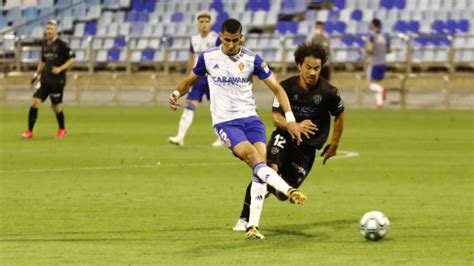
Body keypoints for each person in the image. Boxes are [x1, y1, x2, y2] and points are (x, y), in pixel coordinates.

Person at [169, 18, 306, 240]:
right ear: (221, 37)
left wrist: (290, 118)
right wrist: (176, 94)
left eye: (235, 40)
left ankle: (251, 226)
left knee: (260, 168)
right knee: (254, 159)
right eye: (227, 40)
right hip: (225, 122)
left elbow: (278, 90)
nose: (231, 44)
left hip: (251, 120)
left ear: (241, 37)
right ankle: (288, 189)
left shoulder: (253, 59)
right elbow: (189, 80)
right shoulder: (209, 57)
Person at [233, 41, 345, 231]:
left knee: (284, 194)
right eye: (308, 67)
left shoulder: (329, 93)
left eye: (316, 68)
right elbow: (276, 118)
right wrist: (294, 125)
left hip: (307, 149)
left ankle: (272, 190)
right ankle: (244, 218)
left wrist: (334, 144)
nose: (312, 72)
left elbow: (340, 114)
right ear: (300, 65)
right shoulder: (285, 87)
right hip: (284, 138)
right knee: (268, 169)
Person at [168, 11, 222, 147]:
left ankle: (221, 137)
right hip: (197, 77)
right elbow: (191, 58)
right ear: (198, 24)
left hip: (212, 78)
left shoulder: (216, 38)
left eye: (206, 21)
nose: (204, 24)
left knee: (217, 108)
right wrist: (187, 78)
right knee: (189, 106)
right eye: (201, 22)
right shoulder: (194, 39)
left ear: (210, 23)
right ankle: (180, 137)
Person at [21, 20, 75, 139]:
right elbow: (43, 61)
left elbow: (72, 59)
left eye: (51, 29)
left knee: (55, 107)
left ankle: (62, 128)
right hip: (45, 80)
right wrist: (36, 75)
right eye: (47, 29)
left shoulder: (62, 45)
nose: (48, 31)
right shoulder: (45, 44)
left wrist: (60, 68)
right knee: (35, 102)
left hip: (57, 81)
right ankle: (29, 131)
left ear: (56, 30)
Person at [365, 18, 391, 109]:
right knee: (376, 83)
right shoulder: (385, 36)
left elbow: (369, 48)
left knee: (371, 84)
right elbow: (389, 50)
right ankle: (380, 104)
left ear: (373, 25)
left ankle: (382, 89)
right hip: (383, 63)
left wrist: (365, 54)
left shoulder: (372, 35)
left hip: (374, 63)